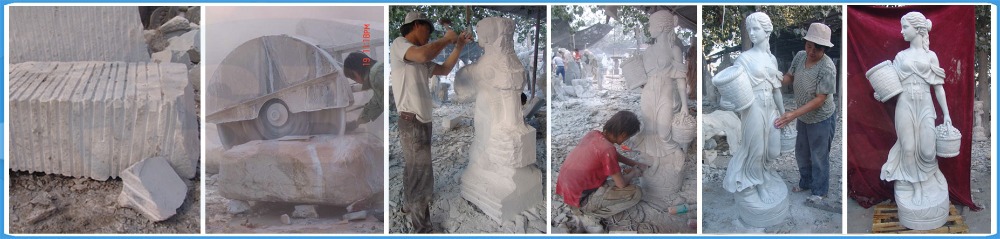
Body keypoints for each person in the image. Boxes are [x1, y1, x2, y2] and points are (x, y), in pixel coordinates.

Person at [390, 11, 471, 233]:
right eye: (428, 30)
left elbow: (444, 69)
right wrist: (446, 38)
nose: (429, 36)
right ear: (417, 25)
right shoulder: (400, 45)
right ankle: (422, 229)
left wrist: (458, 46)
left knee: (413, 169)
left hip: (421, 122)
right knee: (422, 175)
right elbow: (424, 54)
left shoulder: (418, 59)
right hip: (413, 122)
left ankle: (409, 205)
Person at [773, 23, 838, 204]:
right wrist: (774, 80)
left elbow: (820, 99)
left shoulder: (827, 67)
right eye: (809, 46)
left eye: (816, 49)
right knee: (801, 152)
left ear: (824, 49)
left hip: (821, 118)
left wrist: (792, 114)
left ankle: (819, 190)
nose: (811, 51)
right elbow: (789, 77)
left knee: (819, 155)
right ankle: (806, 182)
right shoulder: (801, 57)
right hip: (803, 116)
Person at [556, 110, 649, 222]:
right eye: (627, 137)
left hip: (566, 191)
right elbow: (621, 184)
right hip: (579, 200)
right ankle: (591, 212)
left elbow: (613, 155)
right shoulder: (608, 150)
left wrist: (635, 163)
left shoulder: (594, 134)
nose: (626, 140)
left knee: (618, 175)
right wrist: (634, 172)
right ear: (623, 134)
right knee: (636, 192)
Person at [343, 52, 384, 131]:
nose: (357, 82)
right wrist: (356, 123)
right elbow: (376, 103)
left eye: (352, 78)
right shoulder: (375, 74)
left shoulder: (376, 73)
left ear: (355, 72)